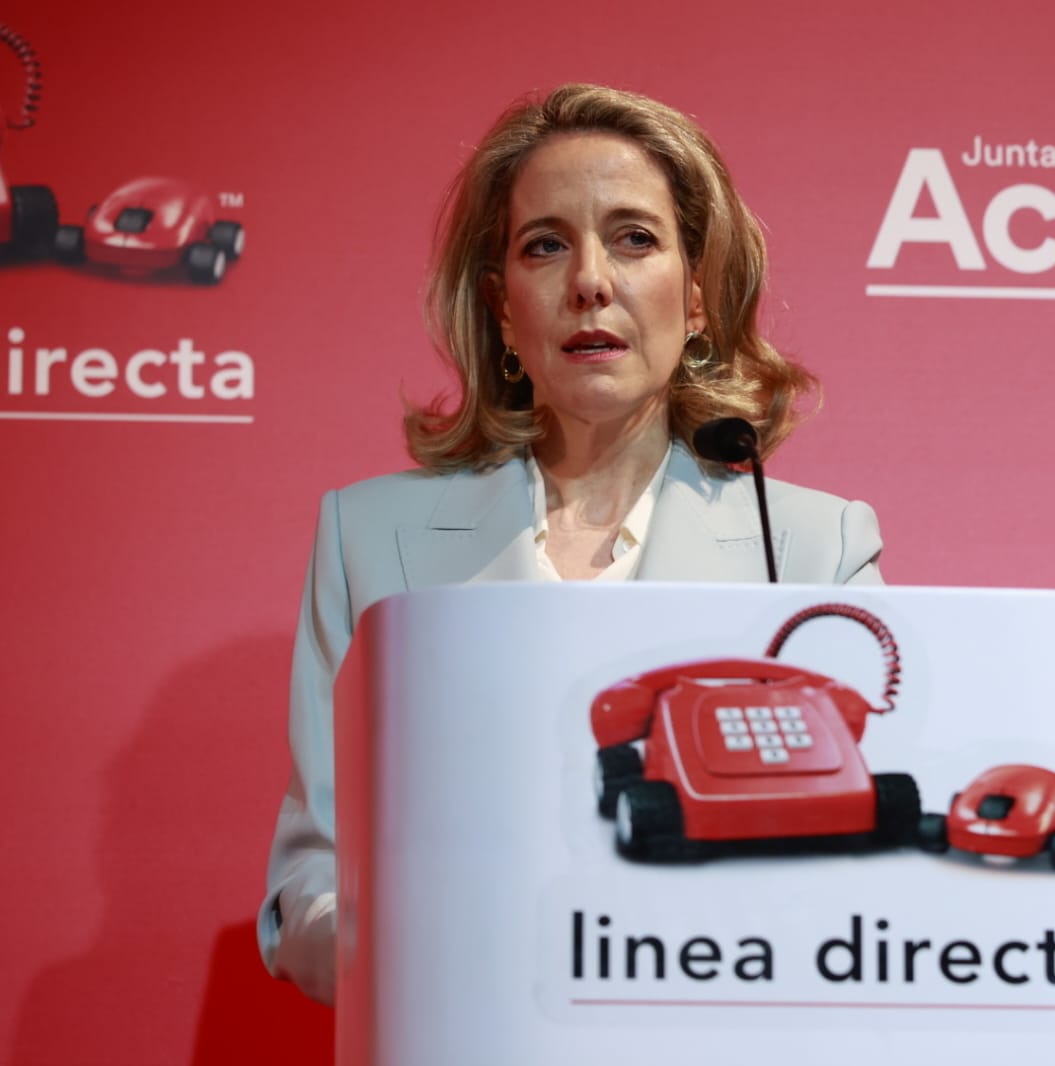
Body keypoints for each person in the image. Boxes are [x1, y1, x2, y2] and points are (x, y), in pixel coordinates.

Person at [257, 83, 885, 1005]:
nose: (590, 280)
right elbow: (311, 879)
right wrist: (403, 949)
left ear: (696, 295)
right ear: (503, 309)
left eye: (634, 239)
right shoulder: (371, 537)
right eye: (545, 245)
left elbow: (854, 868)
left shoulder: (811, 546)